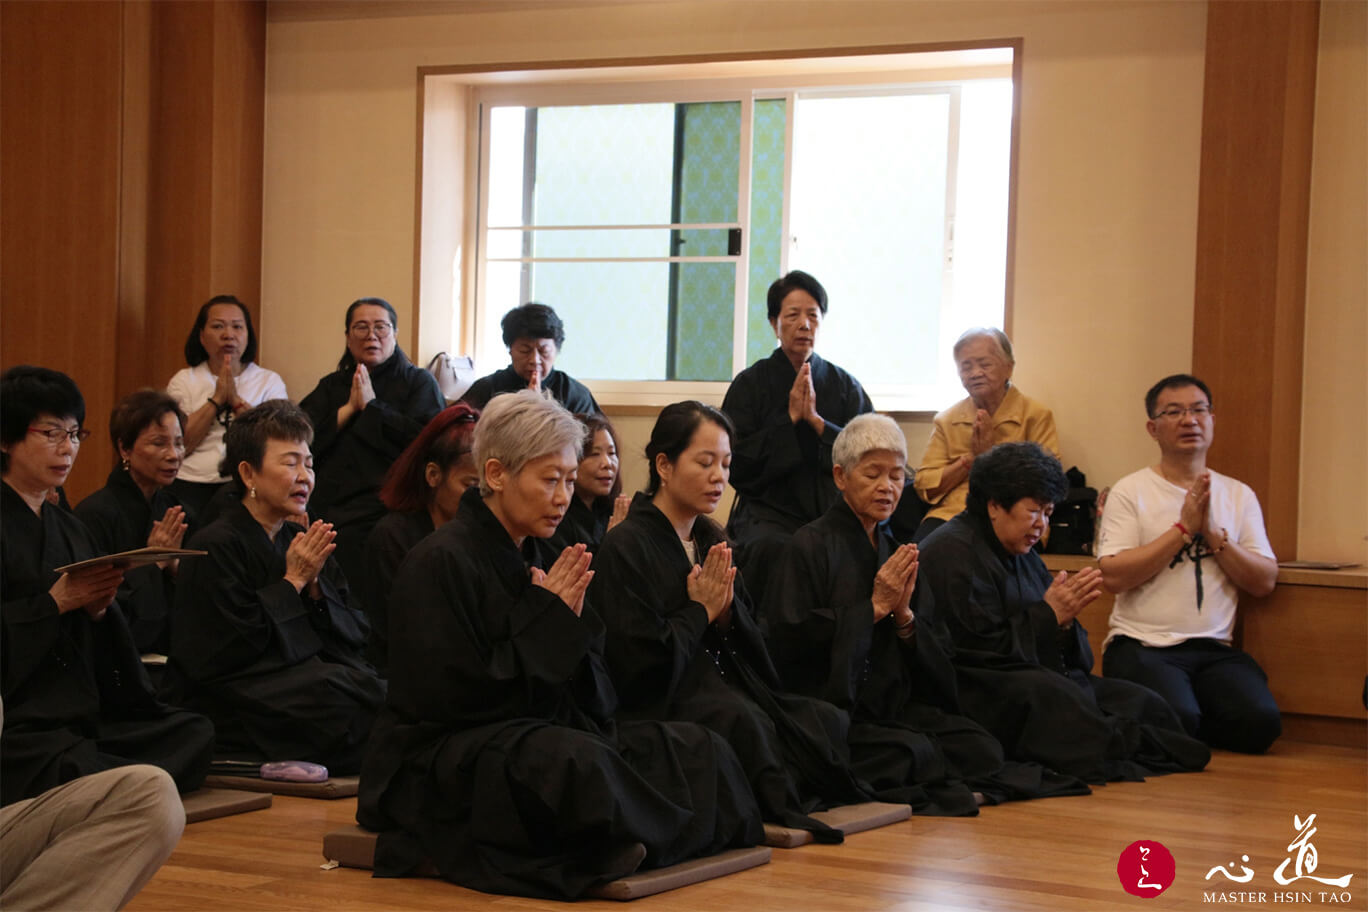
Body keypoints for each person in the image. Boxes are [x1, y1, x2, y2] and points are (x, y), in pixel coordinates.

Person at [357, 390, 763, 900]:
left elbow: (597, 681)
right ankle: (635, 838)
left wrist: (566, 630)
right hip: (445, 755)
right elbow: (453, 701)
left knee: (691, 746)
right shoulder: (439, 562)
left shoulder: (554, 555)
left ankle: (635, 838)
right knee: (573, 762)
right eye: (550, 480)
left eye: (570, 481)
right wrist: (544, 620)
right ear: (498, 474)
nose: (563, 497)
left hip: (543, 726)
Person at [768, 416, 1089, 810]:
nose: (887, 486)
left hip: (891, 703)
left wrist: (904, 619)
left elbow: (934, 647)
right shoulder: (808, 546)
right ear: (840, 476)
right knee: (910, 751)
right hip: (832, 706)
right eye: (873, 474)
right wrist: (872, 609)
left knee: (981, 747)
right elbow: (788, 638)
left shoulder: (898, 549)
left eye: (897, 475)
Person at [592, 400, 872, 841]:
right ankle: (773, 806)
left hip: (720, 680)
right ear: (663, 465)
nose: (719, 476)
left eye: (725, 463)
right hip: (666, 694)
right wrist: (699, 611)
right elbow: (636, 658)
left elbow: (745, 635)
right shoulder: (627, 545)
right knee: (744, 720)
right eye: (705, 462)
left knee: (823, 718)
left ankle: (782, 794)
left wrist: (723, 615)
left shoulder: (710, 538)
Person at [917, 442, 1210, 783]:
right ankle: (1122, 744)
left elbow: (1066, 648)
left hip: (1033, 673)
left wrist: (1063, 623)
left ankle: (1129, 741)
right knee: (1060, 702)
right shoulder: (953, 552)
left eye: (1048, 513)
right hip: (980, 689)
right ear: (995, 505)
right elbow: (977, 655)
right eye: (1033, 511)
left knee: (1145, 703)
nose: (1042, 525)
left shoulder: (1021, 550)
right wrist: (1049, 615)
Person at [0, 366, 214, 807]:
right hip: (19, 719)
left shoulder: (68, 527)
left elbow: (105, 639)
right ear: (5, 440)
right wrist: (53, 604)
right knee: (67, 764)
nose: (68, 448)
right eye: (51, 433)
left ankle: (103, 776)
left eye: (76, 434)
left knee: (194, 731)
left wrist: (99, 609)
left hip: (77, 709)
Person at [165, 400, 384, 773]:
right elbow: (227, 649)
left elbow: (353, 630)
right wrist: (292, 580)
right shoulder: (215, 544)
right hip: (233, 692)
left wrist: (315, 585)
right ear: (249, 474)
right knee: (343, 706)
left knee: (375, 690)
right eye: (290, 462)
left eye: (309, 463)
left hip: (292, 680)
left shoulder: (297, 538)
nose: (304, 476)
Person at [1097, 374, 1281, 754]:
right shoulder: (1131, 491)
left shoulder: (1238, 494)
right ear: (1153, 427)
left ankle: (1187, 714)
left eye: (1199, 410)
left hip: (1212, 647)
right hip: (1142, 644)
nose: (1189, 420)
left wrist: (1214, 534)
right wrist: (1183, 530)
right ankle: (1179, 715)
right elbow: (1113, 575)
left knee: (1260, 725)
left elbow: (1264, 581)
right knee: (1177, 722)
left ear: (1212, 419)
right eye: (1174, 412)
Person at [721, 271, 873, 612]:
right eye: (792, 315)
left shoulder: (845, 385)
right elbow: (734, 462)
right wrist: (788, 422)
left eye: (813, 316)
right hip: (768, 512)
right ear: (775, 324)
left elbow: (870, 455)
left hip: (832, 510)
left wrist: (819, 424)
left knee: (856, 545)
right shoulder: (750, 384)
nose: (804, 324)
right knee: (772, 548)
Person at [300, 297, 445, 571]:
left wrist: (372, 407)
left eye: (381, 327)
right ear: (347, 336)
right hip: (331, 497)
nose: (371, 336)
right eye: (361, 328)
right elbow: (301, 438)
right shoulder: (332, 385)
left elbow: (427, 442)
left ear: (395, 334)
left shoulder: (417, 382)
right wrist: (349, 409)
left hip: (387, 498)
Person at [361, 403, 480, 675]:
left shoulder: (482, 534)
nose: (480, 498)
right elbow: (398, 633)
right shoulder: (392, 537)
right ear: (433, 475)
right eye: (470, 486)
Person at [74, 391, 191, 656]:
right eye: (159, 443)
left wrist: (175, 567)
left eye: (179, 443)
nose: (174, 455)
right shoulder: (94, 514)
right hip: (119, 656)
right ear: (124, 448)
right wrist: (152, 561)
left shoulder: (178, 510)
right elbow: (98, 609)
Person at [912, 328, 1058, 541]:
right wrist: (972, 460)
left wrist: (992, 458)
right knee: (921, 553)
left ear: (1009, 368)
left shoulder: (1035, 416)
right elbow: (924, 484)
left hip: (1015, 516)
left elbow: (1048, 484)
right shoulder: (947, 419)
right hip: (953, 513)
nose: (975, 373)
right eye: (966, 366)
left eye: (985, 364)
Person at [167, 295, 288, 522]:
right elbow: (181, 445)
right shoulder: (184, 381)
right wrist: (216, 399)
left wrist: (235, 401)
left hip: (248, 485)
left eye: (237, 327)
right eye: (218, 326)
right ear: (202, 336)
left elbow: (275, 442)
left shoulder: (269, 381)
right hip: (189, 484)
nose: (228, 334)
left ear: (247, 335)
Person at [461, 302, 599, 414]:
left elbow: (591, 441)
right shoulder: (487, 389)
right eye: (524, 350)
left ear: (556, 350)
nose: (534, 360)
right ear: (510, 350)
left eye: (543, 351)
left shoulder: (574, 394)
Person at [546, 412, 630, 552]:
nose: (607, 463)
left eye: (611, 453)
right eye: (594, 454)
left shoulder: (611, 511)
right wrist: (612, 544)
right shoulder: (556, 517)